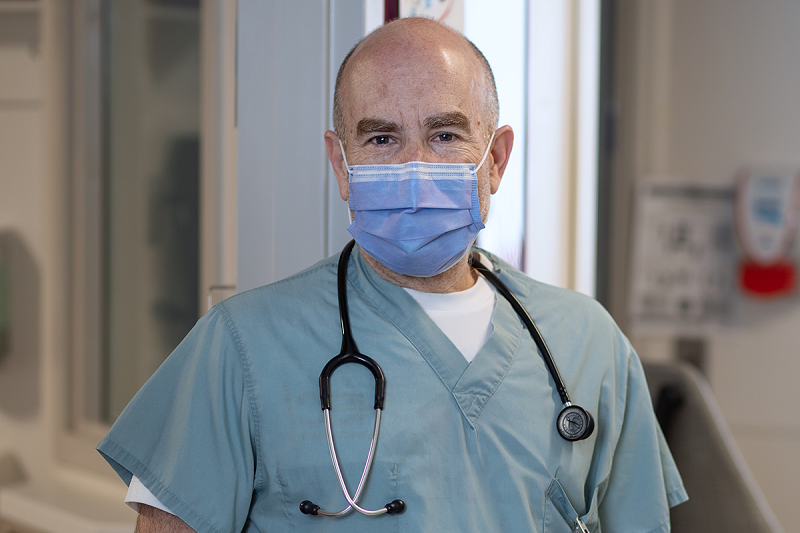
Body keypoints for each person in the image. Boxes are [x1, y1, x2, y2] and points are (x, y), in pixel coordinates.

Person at [98, 17, 687, 533]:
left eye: (445, 135)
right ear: (341, 163)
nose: (414, 168)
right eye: (381, 138)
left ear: (498, 159)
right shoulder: (241, 346)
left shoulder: (589, 343)